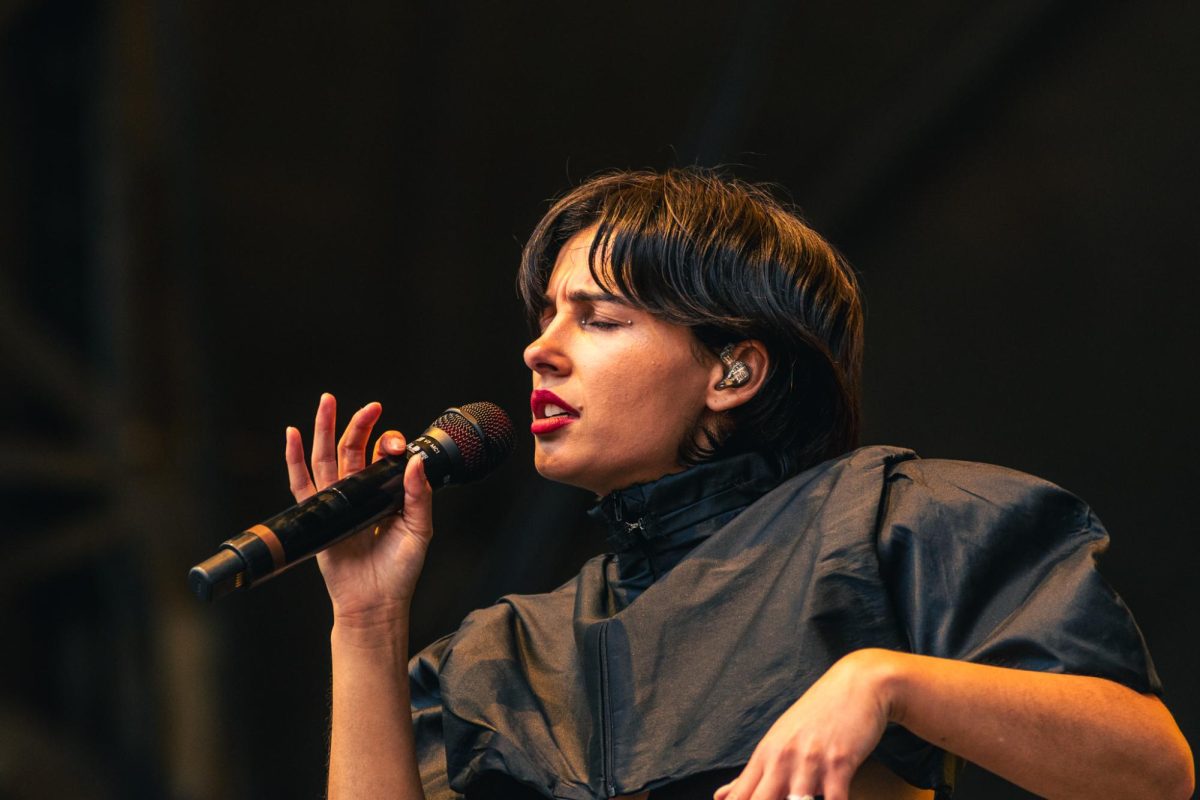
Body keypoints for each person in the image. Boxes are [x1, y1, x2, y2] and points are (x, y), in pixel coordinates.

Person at [283, 169, 1193, 800]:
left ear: (732, 372)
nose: (538, 349)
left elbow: (1150, 768)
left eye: (598, 319)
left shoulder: (901, 521)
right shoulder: (501, 652)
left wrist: (885, 681)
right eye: (544, 316)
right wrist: (365, 626)